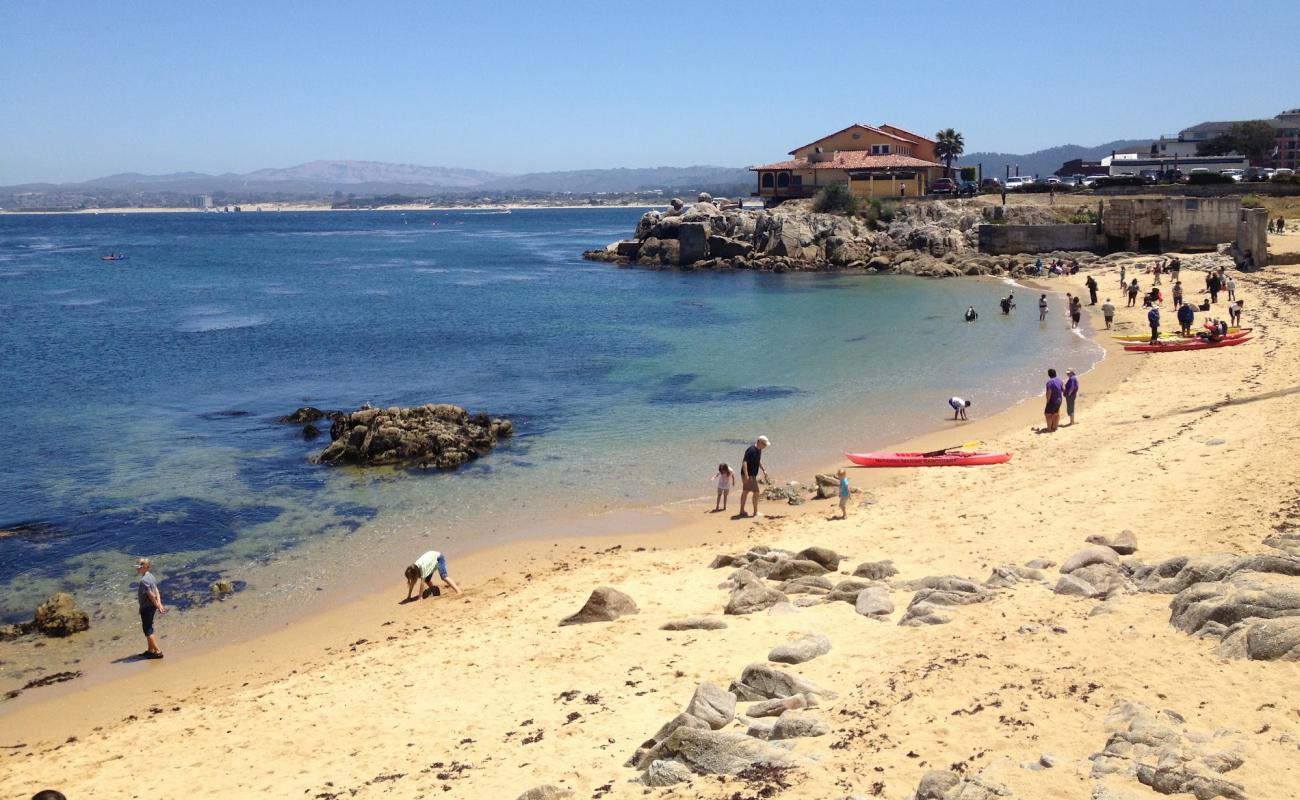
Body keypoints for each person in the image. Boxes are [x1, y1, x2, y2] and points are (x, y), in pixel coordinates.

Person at [134, 558, 166, 659]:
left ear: (145, 567)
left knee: (147, 630)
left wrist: (158, 605)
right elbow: (156, 591)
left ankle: (158, 651)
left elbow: (151, 595)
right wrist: (159, 604)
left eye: (139, 567)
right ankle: (150, 650)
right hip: (151, 607)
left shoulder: (143, 581)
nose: (137, 569)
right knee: (149, 627)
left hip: (147, 608)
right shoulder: (151, 576)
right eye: (137, 567)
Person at [738, 435, 769, 518]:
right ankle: (755, 512)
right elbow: (744, 462)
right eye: (764, 444)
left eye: (765, 445)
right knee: (756, 492)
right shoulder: (751, 450)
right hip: (748, 475)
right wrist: (747, 476)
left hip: (752, 475)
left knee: (746, 491)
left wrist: (764, 470)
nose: (765, 446)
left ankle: (741, 511)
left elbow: (758, 461)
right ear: (759, 442)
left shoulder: (759, 450)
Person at [1043, 368, 1065, 433]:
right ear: (1055, 373)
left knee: (1047, 414)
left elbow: (1049, 392)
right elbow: (1063, 389)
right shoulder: (1060, 380)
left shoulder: (1049, 382)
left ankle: (1049, 429)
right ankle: (1055, 427)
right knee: (1056, 413)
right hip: (1059, 400)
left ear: (1049, 375)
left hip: (1053, 401)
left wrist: (1048, 401)